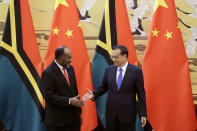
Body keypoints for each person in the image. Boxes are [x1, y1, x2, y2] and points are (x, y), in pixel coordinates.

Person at [83, 45, 147, 131]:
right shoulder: (109, 69)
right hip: (111, 114)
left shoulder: (136, 71)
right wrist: (94, 93)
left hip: (127, 115)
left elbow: (141, 94)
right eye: (112, 56)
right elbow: (103, 87)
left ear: (124, 56)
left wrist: (143, 114)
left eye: (116, 57)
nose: (113, 59)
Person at [41, 46, 84, 131]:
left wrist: (79, 114)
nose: (71, 60)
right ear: (60, 58)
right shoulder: (48, 73)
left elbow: (74, 91)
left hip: (73, 121)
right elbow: (48, 96)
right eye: (68, 58)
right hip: (57, 122)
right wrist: (69, 101)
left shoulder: (70, 68)